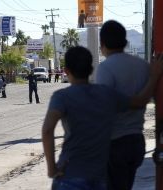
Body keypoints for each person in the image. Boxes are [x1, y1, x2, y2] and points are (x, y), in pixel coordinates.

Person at [42, 46, 163, 190]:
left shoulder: (61, 97)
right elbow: (141, 101)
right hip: (99, 179)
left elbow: (48, 130)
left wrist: (52, 168)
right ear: (91, 70)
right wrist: (155, 75)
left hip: (70, 176)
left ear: (66, 71)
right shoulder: (106, 94)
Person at [95, 20, 150, 190]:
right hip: (137, 141)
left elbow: (104, 108)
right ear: (125, 42)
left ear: (102, 44)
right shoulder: (143, 66)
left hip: (115, 143)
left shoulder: (105, 68)